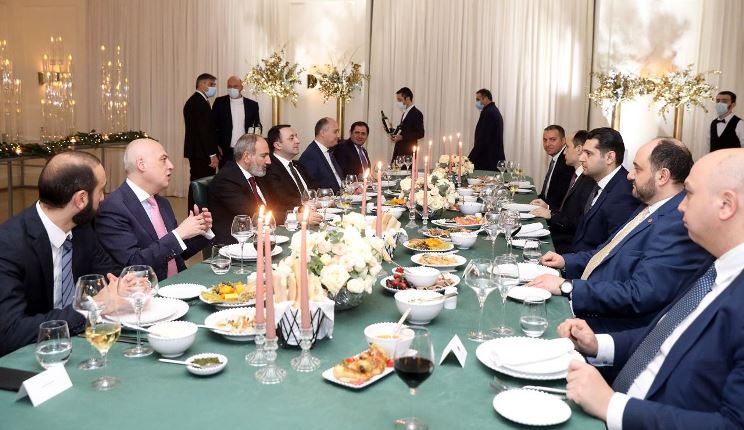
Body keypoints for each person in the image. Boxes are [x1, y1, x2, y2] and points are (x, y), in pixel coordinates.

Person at [557, 148, 744, 429]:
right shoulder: (716, 267)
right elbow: (665, 335)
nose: (680, 206)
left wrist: (612, 405)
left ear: (726, 205)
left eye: (689, 194)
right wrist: (599, 344)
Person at [528, 138, 712, 333]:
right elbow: (606, 252)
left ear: (662, 176)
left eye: (637, 169)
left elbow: (640, 294)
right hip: (589, 300)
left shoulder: (677, 223)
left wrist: (568, 287)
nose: (629, 175)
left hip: (603, 326)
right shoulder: (649, 206)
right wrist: (565, 261)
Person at [0, 152, 121, 356]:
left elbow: (109, 273)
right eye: (101, 190)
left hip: (81, 346)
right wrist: (92, 308)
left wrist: (123, 284)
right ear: (81, 199)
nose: (103, 198)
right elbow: (10, 332)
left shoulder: (81, 229)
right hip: (31, 358)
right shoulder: (8, 246)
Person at [96, 139, 214, 282]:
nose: (171, 166)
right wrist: (179, 233)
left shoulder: (162, 202)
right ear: (141, 164)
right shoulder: (113, 208)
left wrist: (201, 230)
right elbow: (133, 264)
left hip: (179, 285)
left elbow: (174, 254)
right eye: (163, 159)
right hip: (147, 290)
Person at [570, 127, 640, 252]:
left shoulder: (624, 194)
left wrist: (568, 260)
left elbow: (610, 251)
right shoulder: (594, 180)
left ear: (609, 157)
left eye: (588, 153)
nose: (581, 158)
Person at [531, 130, 596, 254]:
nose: (564, 152)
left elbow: (577, 221)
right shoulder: (577, 176)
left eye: (567, 147)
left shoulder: (588, 181)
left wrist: (551, 214)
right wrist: (549, 209)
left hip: (567, 244)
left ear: (579, 149)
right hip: (561, 233)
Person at [209, 133, 271, 244]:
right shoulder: (226, 180)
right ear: (246, 157)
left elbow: (272, 206)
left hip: (261, 235)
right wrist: (291, 217)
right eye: (263, 156)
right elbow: (252, 215)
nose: (269, 161)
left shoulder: (256, 174)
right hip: (237, 243)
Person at [257, 124, 322, 224]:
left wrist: (322, 199)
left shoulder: (298, 165)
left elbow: (315, 186)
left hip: (313, 213)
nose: (297, 141)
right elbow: (281, 198)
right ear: (278, 145)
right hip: (291, 219)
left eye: (296, 137)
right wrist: (303, 206)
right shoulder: (270, 168)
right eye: (291, 138)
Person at [212, 75, 262, 168]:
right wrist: (216, 147)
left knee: (245, 175)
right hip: (225, 151)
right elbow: (213, 126)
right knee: (226, 175)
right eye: (229, 86)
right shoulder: (220, 102)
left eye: (235, 86)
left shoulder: (252, 105)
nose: (232, 89)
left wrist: (254, 143)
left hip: (245, 150)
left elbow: (257, 125)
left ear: (241, 87)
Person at [533, 125, 575, 211]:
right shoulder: (556, 158)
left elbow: (560, 201)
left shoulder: (567, 162)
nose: (547, 144)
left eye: (552, 140)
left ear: (563, 141)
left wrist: (547, 208)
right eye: (545, 140)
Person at [298, 117, 344, 193]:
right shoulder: (310, 156)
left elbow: (338, 179)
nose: (338, 136)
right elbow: (312, 189)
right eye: (335, 132)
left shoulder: (328, 151)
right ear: (323, 133)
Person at [468, 88, 504, 170]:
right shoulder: (493, 110)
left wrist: (469, 160)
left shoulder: (488, 113)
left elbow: (482, 139)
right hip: (492, 158)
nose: (477, 102)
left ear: (486, 98)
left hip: (487, 160)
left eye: (478, 99)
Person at [390, 87, 424, 160]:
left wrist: (402, 137)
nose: (398, 103)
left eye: (400, 100)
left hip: (408, 152)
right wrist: (391, 129)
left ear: (407, 98)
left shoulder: (417, 113)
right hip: (399, 150)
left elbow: (421, 133)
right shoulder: (405, 112)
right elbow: (405, 130)